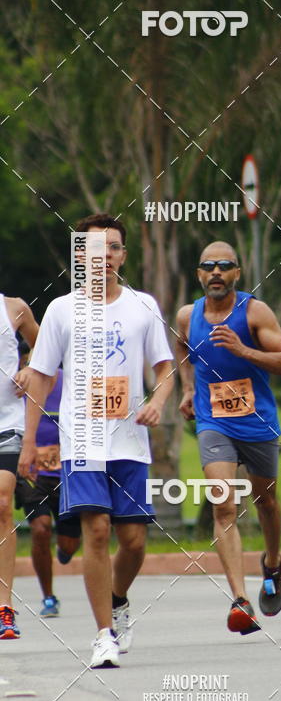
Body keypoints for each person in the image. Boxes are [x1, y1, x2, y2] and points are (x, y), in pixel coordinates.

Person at [19, 213, 174, 667]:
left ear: (123, 256)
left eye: (112, 248)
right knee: (97, 529)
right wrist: (30, 443)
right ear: (80, 257)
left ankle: (118, 599)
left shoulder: (142, 306)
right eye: (93, 248)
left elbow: (165, 370)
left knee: (133, 541)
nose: (103, 256)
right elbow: (42, 379)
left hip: (129, 441)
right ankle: (103, 634)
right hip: (82, 439)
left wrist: (158, 402)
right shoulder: (61, 311)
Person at [176, 241, 281, 636]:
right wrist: (188, 389)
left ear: (237, 273)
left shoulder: (254, 311)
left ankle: (273, 563)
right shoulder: (187, 316)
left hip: (256, 421)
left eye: (224, 265)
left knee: (266, 500)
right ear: (198, 274)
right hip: (214, 422)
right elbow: (182, 351)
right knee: (223, 504)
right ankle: (241, 601)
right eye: (207, 266)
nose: (215, 272)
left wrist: (244, 350)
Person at [14, 368, 82, 617]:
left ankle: (64, 551)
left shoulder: (73, 379)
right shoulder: (17, 384)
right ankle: (49, 597)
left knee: (69, 546)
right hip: (32, 474)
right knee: (40, 529)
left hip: (69, 472)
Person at [0, 294, 39, 639]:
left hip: (8, 423)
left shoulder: (14, 308)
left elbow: (45, 347)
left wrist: (28, 368)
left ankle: (4, 607)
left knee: (2, 502)